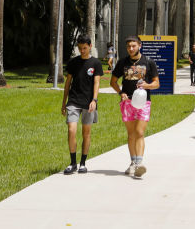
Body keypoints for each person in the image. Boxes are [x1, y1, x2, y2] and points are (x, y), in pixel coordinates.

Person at [110, 36, 160, 178]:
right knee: (131, 134)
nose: (131, 49)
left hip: (144, 102)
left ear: (139, 45)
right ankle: (133, 163)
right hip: (127, 103)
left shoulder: (148, 62)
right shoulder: (122, 63)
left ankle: (139, 163)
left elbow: (157, 83)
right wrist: (121, 92)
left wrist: (147, 85)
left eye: (133, 46)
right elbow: (113, 81)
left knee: (139, 132)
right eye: (128, 47)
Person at [60, 34, 102, 174]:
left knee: (86, 134)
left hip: (88, 102)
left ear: (90, 46)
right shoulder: (73, 62)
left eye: (84, 48)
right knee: (71, 130)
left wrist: (94, 100)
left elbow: (96, 83)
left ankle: (83, 163)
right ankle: (72, 163)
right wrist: (64, 102)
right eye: (80, 48)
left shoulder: (95, 63)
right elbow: (67, 83)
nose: (82, 51)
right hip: (73, 101)